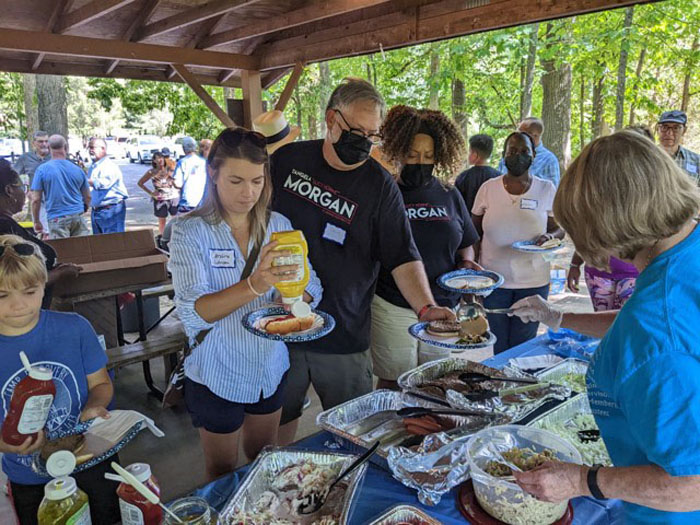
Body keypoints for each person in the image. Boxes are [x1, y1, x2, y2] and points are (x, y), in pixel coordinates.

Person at [510, 131, 700, 524]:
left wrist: (583, 480)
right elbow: (663, 326)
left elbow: (690, 483)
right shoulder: (684, 253)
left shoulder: (654, 328)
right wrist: (559, 318)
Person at [270, 77, 455, 443]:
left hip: (344, 332)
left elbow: (402, 255)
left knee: (353, 431)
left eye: (372, 135)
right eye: (356, 132)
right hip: (280, 325)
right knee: (279, 421)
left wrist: (425, 307)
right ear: (331, 119)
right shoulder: (288, 161)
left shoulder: (380, 185)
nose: (364, 143)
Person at [168, 127, 322, 482]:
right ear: (213, 173)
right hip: (217, 370)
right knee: (221, 471)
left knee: (261, 457)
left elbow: (312, 286)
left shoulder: (278, 225)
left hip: (269, 367)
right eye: (236, 181)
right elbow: (194, 311)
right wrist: (255, 285)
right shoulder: (190, 231)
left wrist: (291, 297)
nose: (248, 193)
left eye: (257, 181)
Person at [0, 234, 119, 524]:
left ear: (44, 285)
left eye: (30, 291)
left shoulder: (75, 328)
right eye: (2, 296)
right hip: (29, 475)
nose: (18, 305)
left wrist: (94, 406)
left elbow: (100, 384)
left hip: (89, 455)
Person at [370, 105, 480, 389]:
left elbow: (467, 242)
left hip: (444, 304)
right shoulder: (384, 192)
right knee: (395, 379)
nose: (421, 162)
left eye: (428, 156)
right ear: (397, 152)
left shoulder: (449, 193)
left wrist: (467, 264)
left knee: (436, 378)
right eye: (412, 155)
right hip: (393, 303)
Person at [472, 131, 564, 354]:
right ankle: (500, 377)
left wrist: (550, 237)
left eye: (524, 151)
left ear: (533, 155)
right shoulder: (488, 188)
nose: (518, 156)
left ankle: (518, 378)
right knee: (499, 343)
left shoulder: (546, 189)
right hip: (494, 281)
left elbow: (560, 228)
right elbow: (473, 233)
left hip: (533, 281)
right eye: (512, 151)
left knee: (523, 345)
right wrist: (474, 275)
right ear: (504, 154)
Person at [0, 159, 81, 308]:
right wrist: (59, 274)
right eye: (23, 187)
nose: (26, 193)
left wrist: (54, 269)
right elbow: (16, 282)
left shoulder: (7, 224)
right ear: (9, 190)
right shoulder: (4, 228)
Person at [30, 135, 91, 239]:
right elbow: (88, 196)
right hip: (78, 216)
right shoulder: (77, 169)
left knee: (62, 249)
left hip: (57, 218)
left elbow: (36, 199)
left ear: (48, 147)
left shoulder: (42, 170)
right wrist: (83, 208)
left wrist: (36, 221)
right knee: (82, 247)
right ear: (66, 147)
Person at [498, 117, 560, 187]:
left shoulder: (549, 160)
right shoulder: (508, 154)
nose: (518, 136)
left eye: (522, 133)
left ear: (535, 136)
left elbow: (554, 189)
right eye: (517, 131)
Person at [87, 138, 129, 234]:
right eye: (89, 148)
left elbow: (102, 184)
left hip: (111, 211)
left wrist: (83, 180)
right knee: (100, 242)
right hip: (97, 211)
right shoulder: (93, 167)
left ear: (103, 149)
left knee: (113, 241)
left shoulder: (109, 166)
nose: (90, 150)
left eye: (93, 147)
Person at [455, 133, 501, 213]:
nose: (468, 155)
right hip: (491, 219)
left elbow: (457, 205)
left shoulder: (463, 177)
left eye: (469, 152)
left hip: (468, 219)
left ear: (475, 155)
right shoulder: (499, 177)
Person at [137, 151, 179, 234]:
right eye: (158, 158)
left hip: (172, 197)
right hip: (160, 198)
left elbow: (175, 181)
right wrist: (151, 193)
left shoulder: (170, 169)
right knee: (162, 220)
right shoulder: (151, 172)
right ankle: (162, 237)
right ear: (154, 161)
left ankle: (176, 236)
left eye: (161, 158)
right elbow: (140, 183)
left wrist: (178, 188)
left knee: (175, 219)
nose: (160, 160)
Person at [656, 110, 700, 183]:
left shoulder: (697, 161)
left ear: (684, 131)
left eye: (676, 128)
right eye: (664, 127)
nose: (669, 133)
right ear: (658, 129)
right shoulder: (646, 158)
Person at [174, 137, 207, 213]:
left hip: (187, 203)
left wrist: (172, 181)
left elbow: (178, 184)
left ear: (184, 148)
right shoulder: (204, 162)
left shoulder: (182, 162)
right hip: (203, 202)